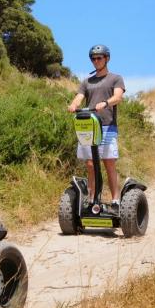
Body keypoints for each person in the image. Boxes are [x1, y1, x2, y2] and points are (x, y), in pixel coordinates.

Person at [67, 44, 125, 211]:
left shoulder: (115, 78)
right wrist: (73, 104)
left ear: (106, 58)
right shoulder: (87, 81)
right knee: (91, 164)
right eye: (93, 58)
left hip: (106, 125)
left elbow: (118, 97)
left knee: (109, 163)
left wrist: (106, 103)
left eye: (99, 58)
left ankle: (115, 200)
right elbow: (79, 97)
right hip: (88, 126)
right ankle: (92, 199)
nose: (96, 61)